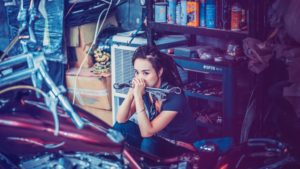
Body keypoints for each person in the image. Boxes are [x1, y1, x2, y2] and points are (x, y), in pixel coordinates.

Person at [113, 45, 199, 157]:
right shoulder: (146, 89)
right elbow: (121, 119)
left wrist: (138, 97)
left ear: (159, 72)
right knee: (120, 128)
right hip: (159, 139)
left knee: (148, 142)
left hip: (181, 147)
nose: (140, 78)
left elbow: (147, 132)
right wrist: (131, 94)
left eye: (146, 73)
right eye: (137, 72)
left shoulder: (175, 96)